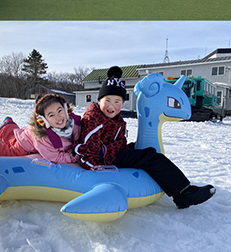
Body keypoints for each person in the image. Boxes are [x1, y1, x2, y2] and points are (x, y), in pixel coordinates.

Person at [74, 66, 214, 209]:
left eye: (117, 101)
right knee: (152, 156)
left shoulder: (113, 117)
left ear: (122, 104)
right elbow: (86, 149)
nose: (111, 106)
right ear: (99, 101)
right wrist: (94, 167)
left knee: (146, 148)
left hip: (115, 150)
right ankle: (183, 193)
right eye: (107, 100)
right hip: (107, 158)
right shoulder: (94, 120)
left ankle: (171, 181)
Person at [0, 94, 81, 164]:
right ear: (43, 120)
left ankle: (8, 126)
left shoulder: (73, 123)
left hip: (26, 133)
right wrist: (72, 157)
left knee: (11, 137)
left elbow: (78, 134)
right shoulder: (44, 138)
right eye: (51, 115)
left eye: (60, 111)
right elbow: (54, 157)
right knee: (7, 151)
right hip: (23, 144)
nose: (58, 117)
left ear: (66, 109)